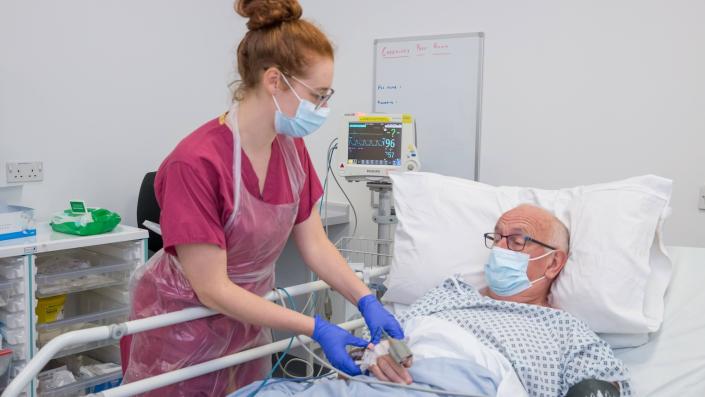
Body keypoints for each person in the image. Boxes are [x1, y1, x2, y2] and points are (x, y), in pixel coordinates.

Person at [120, 0, 402, 395]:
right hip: (181, 330)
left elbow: (316, 244)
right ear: (274, 81)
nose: (323, 108)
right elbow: (212, 289)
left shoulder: (291, 150)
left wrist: (365, 299)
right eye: (318, 95)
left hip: (247, 323)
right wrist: (317, 328)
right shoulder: (195, 163)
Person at [367, 204, 629, 396]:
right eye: (496, 238)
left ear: (553, 263)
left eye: (516, 241)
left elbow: (600, 387)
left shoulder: (566, 331)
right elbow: (387, 340)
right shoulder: (449, 293)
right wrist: (377, 357)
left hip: (470, 384)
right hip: (379, 383)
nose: (500, 249)